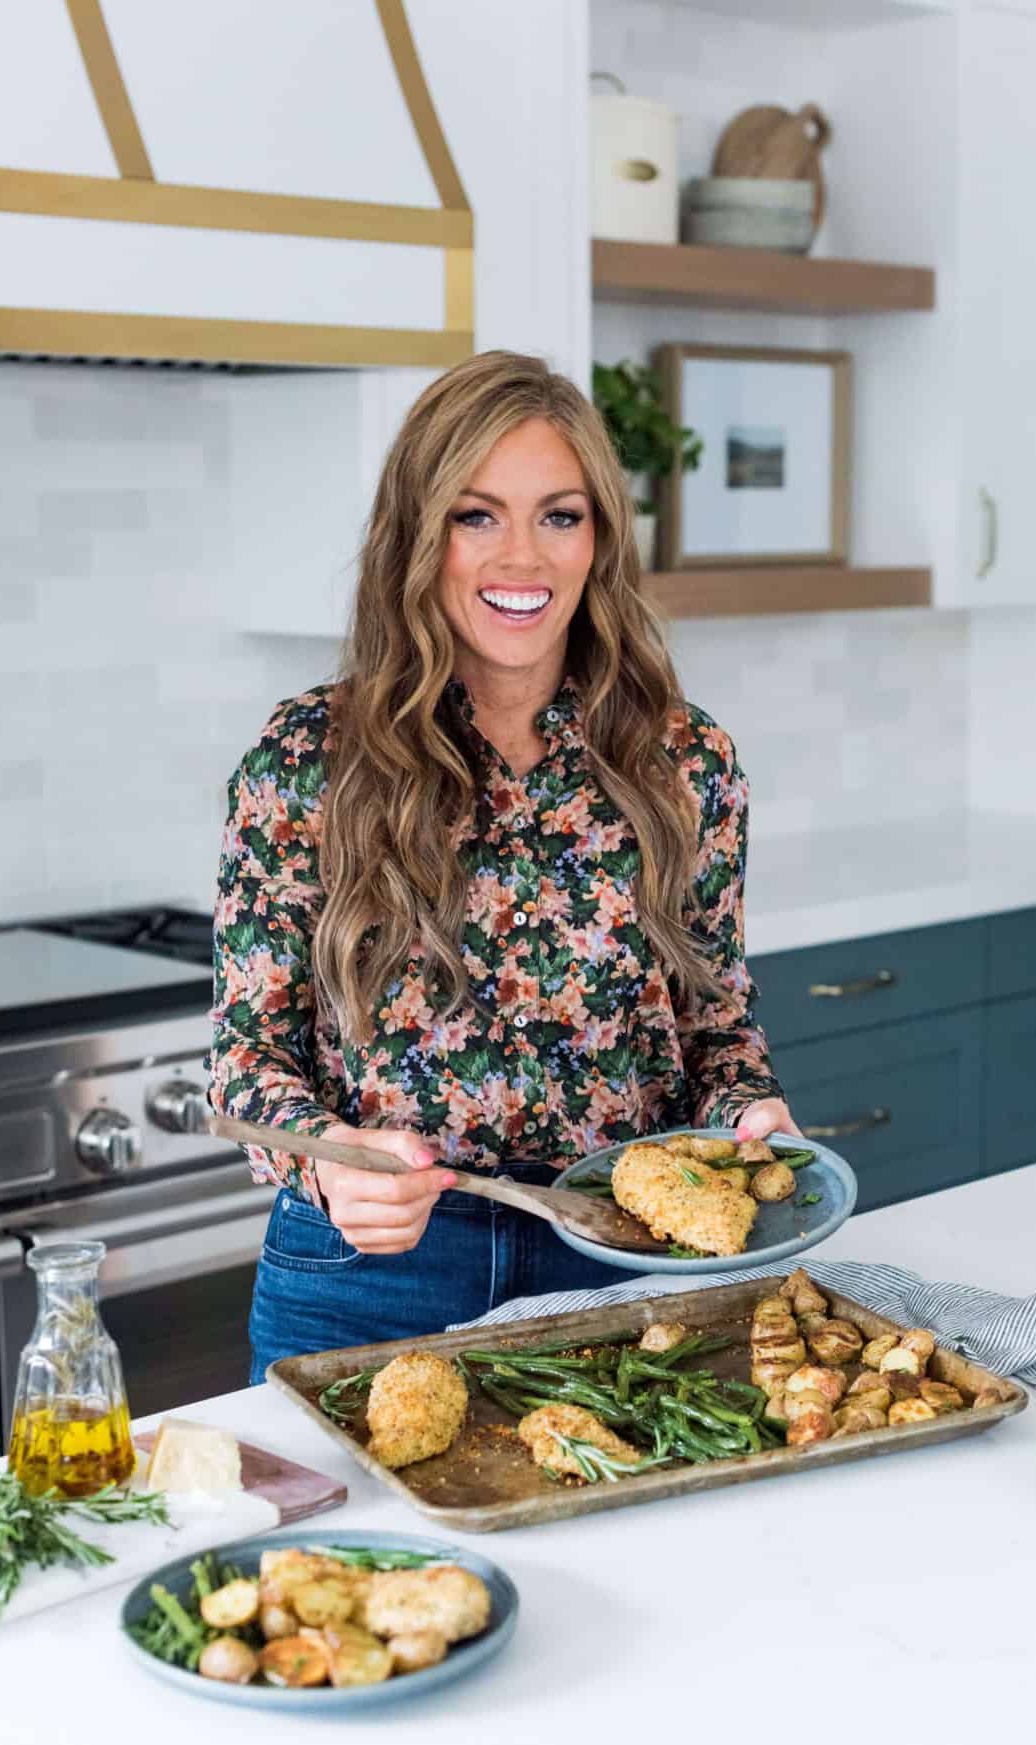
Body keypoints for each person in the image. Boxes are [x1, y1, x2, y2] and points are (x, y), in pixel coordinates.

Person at [207, 350, 798, 1380]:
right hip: (370, 1276)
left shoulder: (685, 761)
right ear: (418, 537)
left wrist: (748, 1112)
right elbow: (247, 1060)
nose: (521, 557)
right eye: (477, 516)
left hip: (627, 1262)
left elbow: (715, 1024)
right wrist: (327, 1162)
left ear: (600, 538)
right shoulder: (309, 761)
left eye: (560, 515)